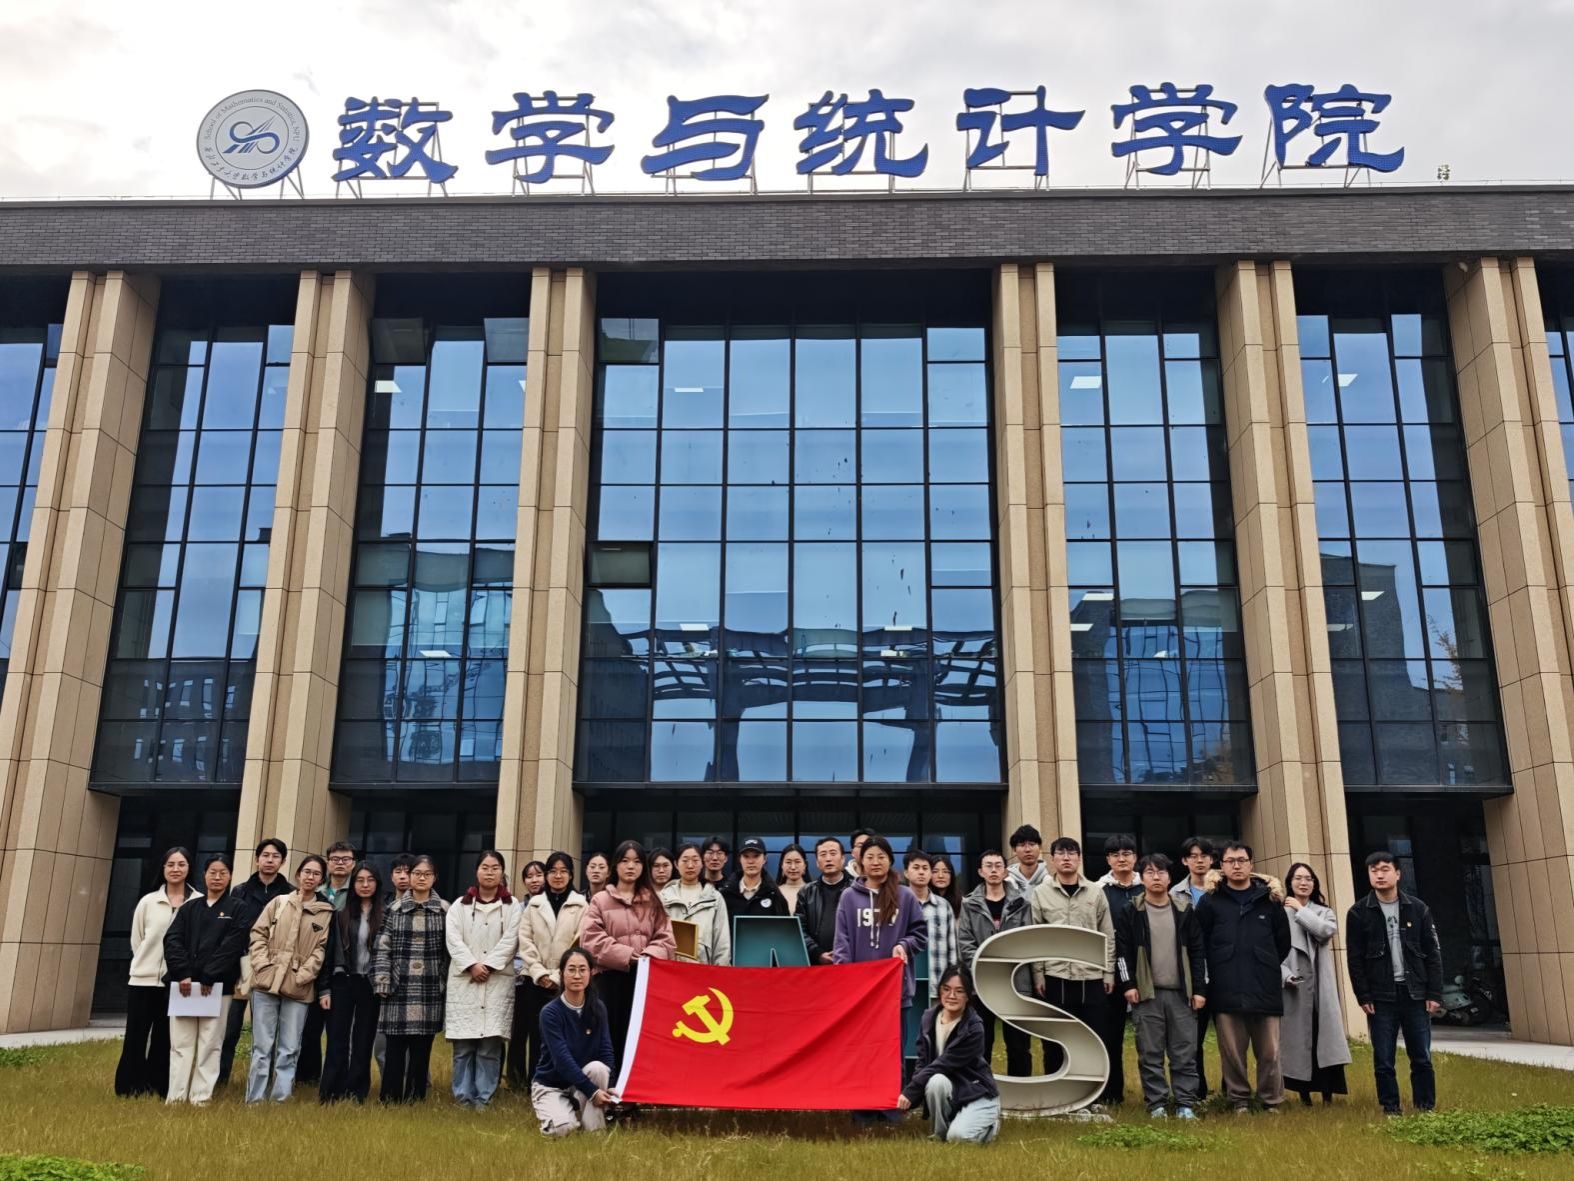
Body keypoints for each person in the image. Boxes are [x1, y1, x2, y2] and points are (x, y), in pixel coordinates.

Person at [1195, 841, 1291, 1115]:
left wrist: (1264, 961)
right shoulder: (1210, 901)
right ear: (1221, 866)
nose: (1236, 866)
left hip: (1265, 985)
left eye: (1241, 860)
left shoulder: (1270, 901)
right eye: (1230, 861)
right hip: (1226, 985)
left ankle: (1270, 1100)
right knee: (1232, 1052)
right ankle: (1239, 1100)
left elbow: (1282, 943)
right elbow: (1199, 942)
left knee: (1270, 1051)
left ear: (1251, 864)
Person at [1346, 850, 1444, 1116]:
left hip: (1415, 993)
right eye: (1374, 870)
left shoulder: (1418, 908)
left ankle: (1425, 1108)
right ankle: (1390, 1108)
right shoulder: (1358, 913)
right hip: (1380, 996)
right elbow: (1355, 960)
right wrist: (1363, 995)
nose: (1379, 875)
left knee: (1421, 1056)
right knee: (1383, 1059)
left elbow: (1433, 953)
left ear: (1398, 874)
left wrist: (1434, 993)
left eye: (1385, 869)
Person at [1114, 854, 1206, 1119]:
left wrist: (1199, 989)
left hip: (1181, 993)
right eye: (1150, 872)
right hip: (1146, 993)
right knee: (1150, 1053)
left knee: (1184, 1051)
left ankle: (1186, 1103)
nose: (1156, 877)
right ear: (1141, 878)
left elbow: (1198, 952)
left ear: (1169, 877)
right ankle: (1157, 1104)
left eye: (1161, 872)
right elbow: (1122, 951)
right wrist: (1128, 984)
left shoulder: (1184, 910)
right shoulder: (1131, 910)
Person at [245, 854, 334, 1104]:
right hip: (266, 982)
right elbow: (258, 933)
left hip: (299, 987)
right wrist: (262, 964)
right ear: (298, 874)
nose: (310, 877)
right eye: (307, 872)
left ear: (321, 880)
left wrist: (303, 975)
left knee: (290, 1047)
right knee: (262, 1047)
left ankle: (280, 1099)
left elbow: (322, 950)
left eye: (316, 874)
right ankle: (255, 1100)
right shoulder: (279, 902)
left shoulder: (326, 912)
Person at [579, 840, 676, 1070]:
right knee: (608, 1034)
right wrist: (628, 955)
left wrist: (647, 956)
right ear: (615, 866)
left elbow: (666, 939)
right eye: (624, 861)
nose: (630, 866)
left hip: (643, 978)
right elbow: (590, 940)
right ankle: (610, 1083)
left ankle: (635, 1083)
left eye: (636, 861)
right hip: (608, 979)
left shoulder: (653, 901)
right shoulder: (600, 900)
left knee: (640, 1033)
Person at [163, 852, 249, 1106]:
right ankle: (176, 1097)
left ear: (230, 876)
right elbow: (172, 940)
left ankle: (200, 1097)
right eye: (213, 872)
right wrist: (183, 973)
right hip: (185, 986)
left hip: (217, 987)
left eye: (223, 873)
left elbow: (233, 946)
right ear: (204, 875)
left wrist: (210, 975)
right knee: (181, 1043)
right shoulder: (190, 907)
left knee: (210, 1043)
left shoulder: (237, 908)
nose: (217, 877)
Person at [1028, 837, 1114, 1081]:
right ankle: (1056, 1089)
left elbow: (1107, 934)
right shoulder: (1041, 893)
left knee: (1094, 1036)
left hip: (1091, 975)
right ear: (1052, 859)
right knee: (1055, 1037)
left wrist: (1108, 972)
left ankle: (1092, 1090)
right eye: (1061, 853)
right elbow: (1035, 935)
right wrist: (1038, 974)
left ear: (1079, 858)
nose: (1066, 858)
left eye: (1071, 853)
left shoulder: (1096, 892)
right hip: (1055, 975)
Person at [115, 846, 196, 1097]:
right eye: (170, 864)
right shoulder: (148, 902)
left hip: (177, 982)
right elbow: (137, 939)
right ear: (163, 868)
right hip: (143, 980)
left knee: (165, 1037)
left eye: (181, 864)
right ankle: (129, 1087)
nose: (175, 869)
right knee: (136, 1035)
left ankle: (158, 1086)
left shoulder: (197, 902)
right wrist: (146, 964)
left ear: (189, 868)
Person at [445, 849, 520, 1109]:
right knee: (463, 1046)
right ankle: (463, 1097)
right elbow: (453, 939)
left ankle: (484, 1099)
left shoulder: (512, 906)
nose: (490, 872)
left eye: (495, 868)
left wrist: (487, 966)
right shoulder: (459, 905)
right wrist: (472, 965)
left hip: (496, 980)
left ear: (502, 872)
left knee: (489, 1046)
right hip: (465, 981)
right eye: (485, 867)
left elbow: (511, 940)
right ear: (477, 871)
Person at [373, 854, 449, 1103]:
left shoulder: (445, 910)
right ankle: (390, 1098)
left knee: (422, 1047)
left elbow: (450, 952)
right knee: (394, 1046)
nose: (421, 878)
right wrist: (383, 980)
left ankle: (416, 1098)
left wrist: (444, 982)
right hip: (398, 986)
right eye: (417, 873)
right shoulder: (394, 909)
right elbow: (382, 947)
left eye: (427, 874)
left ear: (435, 878)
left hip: (430, 987)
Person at [897, 966, 1001, 1145]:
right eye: (946, 989)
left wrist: (910, 1092)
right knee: (936, 1081)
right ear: (940, 990)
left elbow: (943, 1064)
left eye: (959, 991)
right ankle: (939, 1135)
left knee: (958, 1138)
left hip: (976, 1093)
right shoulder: (928, 1018)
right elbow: (923, 1063)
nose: (951, 996)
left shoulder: (974, 1027)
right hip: (951, 1090)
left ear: (968, 995)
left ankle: (991, 1124)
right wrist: (912, 1101)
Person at [218, 836, 291, 1087]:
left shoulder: (290, 893)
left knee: (268, 1029)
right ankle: (220, 1078)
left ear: (283, 861)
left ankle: (265, 1081)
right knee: (230, 1027)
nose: (270, 860)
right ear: (257, 859)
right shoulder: (240, 891)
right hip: (242, 965)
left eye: (275, 856)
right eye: (265, 856)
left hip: (274, 966)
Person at [832, 835, 927, 1029]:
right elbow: (842, 942)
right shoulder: (848, 897)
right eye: (870, 857)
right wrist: (845, 982)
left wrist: (904, 945)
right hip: (859, 992)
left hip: (895, 989)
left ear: (890, 860)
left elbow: (920, 934)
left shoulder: (905, 895)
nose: (875, 862)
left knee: (894, 1044)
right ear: (861, 861)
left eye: (881, 856)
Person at [513, 852, 589, 1087]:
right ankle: (535, 1083)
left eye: (563, 871)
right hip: (534, 979)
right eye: (553, 871)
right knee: (536, 1034)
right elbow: (525, 941)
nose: (558, 876)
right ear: (546, 875)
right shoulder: (534, 905)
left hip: (566, 981)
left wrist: (557, 976)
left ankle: (562, 1083)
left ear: (571, 875)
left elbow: (579, 943)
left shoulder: (581, 905)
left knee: (563, 1035)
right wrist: (540, 973)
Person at [958, 849, 1033, 1075]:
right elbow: (965, 944)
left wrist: (1008, 966)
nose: (993, 870)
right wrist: (986, 968)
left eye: (998, 866)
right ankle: (980, 1088)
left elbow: (1028, 940)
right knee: (981, 1042)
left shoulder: (1021, 903)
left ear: (1005, 871)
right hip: (982, 983)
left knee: (1019, 1044)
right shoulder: (969, 904)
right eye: (988, 866)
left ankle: (1021, 1090)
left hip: (1015, 982)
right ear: (980, 871)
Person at [1281, 862, 1351, 1106]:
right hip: (1295, 985)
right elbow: (1272, 951)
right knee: (1299, 1040)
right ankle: (1303, 1095)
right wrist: (1285, 975)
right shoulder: (1280, 914)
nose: (1303, 883)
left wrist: (1300, 909)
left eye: (1308, 878)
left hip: (1321, 986)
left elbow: (1324, 932)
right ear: (1289, 883)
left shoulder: (1323, 911)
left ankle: (1328, 1094)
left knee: (1324, 1038)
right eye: (1298, 878)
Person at [532, 947, 617, 1137]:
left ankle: (594, 1132)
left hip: (581, 1082)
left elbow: (606, 1050)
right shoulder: (550, 1013)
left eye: (582, 969)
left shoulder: (598, 1008)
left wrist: (610, 1085)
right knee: (563, 1129)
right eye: (571, 970)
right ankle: (568, 1115)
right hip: (552, 1084)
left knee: (598, 1069)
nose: (577, 975)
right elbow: (561, 1060)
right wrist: (593, 1092)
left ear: (591, 973)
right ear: (562, 974)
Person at [319, 861, 385, 1104]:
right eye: (360, 880)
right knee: (337, 1038)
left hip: (370, 984)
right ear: (353, 883)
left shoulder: (385, 915)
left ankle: (356, 1092)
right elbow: (330, 954)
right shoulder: (341, 914)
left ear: (377, 884)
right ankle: (331, 1091)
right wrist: (325, 989)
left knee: (363, 1039)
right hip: (343, 981)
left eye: (370, 880)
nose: (365, 885)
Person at [297, 839, 358, 1085]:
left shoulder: (357, 892)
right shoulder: (317, 892)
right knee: (309, 1027)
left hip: (343, 969)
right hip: (313, 966)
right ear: (328, 863)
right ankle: (308, 1078)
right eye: (335, 859)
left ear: (353, 863)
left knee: (338, 1030)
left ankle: (337, 1078)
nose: (340, 863)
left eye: (345, 859)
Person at [1096, 833, 1144, 1106]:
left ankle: (1157, 1095)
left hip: (1147, 970)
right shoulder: (1099, 890)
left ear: (1135, 857)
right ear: (1108, 860)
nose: (1121, 858)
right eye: (1115, 854)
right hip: (1112, 972)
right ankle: (1112, 1093)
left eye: (1126, 853)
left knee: (1151, 1036)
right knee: (1110, 1035)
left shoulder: (1148, 885)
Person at [1171, 835, 1216, 1098]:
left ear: (1212, 860)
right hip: (1192, 974)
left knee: (1229, 1036)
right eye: (1193, 856)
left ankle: (1232, 1092)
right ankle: (1197, 1091)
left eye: (1204, 856)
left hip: (1222, 971)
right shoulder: (1174, 894)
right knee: (1192, 1036)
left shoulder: (1223, 890)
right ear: (1184, 861)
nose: (1199, 861)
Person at [660, 842, 731, 965]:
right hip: (671, 968)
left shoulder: (714, 898)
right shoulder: (664, 896)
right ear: (676, 864)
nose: (690, 865)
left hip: (703, 968)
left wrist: (721, 971)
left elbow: (722, 941)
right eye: (685, 861)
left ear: (702, 863)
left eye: (695, 860)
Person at [904, 848, 959, 992]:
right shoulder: (897, 904)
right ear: (906, 873)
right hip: (904, 986)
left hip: (938, 985)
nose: (921, 872)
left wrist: (951, 984)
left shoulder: (944, 906)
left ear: (930, 874)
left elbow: (952, 950)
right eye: (916, 868)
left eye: (925, 868)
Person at [799, 836, 855, 965]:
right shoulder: (806, 892)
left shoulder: (857, 889)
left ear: (843, 859)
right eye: (823, 854)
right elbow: (800, 929)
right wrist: (817, 953)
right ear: (817, 862)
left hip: (851, 961)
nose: (828, 858)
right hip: (817, 963)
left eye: (833, 853)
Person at [720, 837, 788, 923]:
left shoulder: (774, 894)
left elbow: (785, 927)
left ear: (765, 859)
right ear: (739, 859)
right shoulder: (726, 893)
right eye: (746, 856)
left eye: (756, 856)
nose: (751, 861)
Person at [1007, 824, 1046, 898]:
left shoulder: (1049, 882)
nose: (1028, 849)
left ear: (1040, 847)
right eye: (1022, 845)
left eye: (1032, 844)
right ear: (1014, 850)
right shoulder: (1007, 884)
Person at [777, 843, 810, 916]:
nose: (793, 867)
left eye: (797, 862)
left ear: (805, 865)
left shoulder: (813, 891)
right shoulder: (774, 892)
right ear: (781, 865)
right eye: (788, 862)